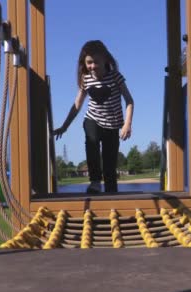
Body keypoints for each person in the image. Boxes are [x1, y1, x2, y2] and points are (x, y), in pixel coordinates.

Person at [53, 40, 134, 194]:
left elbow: (129, 100)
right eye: (89, 63)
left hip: (112, 125)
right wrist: (65, 126)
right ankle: (95, 182)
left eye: (96, 62)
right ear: (84, 63)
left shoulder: (115, 77)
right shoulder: (86, 79)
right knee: (92, 142)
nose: (93, 66)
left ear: (105, 60)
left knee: (110, 162)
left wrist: (127, 124)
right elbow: (77, 105)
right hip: (93, 119)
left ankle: (111, 189)